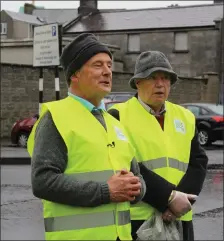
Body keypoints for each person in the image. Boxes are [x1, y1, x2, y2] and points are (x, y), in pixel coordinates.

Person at [27, 33, 146, 241]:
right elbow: (42, 181)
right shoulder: (56, 118)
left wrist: (136, 188)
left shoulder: (114, 122)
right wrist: (105, 191)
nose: (107, 71)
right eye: (98, 65)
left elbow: (137, 177)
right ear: (75, 74)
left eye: (109, 65)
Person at [108, 51, 208, 240]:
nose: (160, 84)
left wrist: (181, 201)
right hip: (138, 220)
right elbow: (125, 165)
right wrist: (168, 199)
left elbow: (198, 162)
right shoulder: (117, 115)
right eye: (152, 78)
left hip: (180, 218)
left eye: (166, 78)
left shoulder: (185, 116)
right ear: (138, 82)